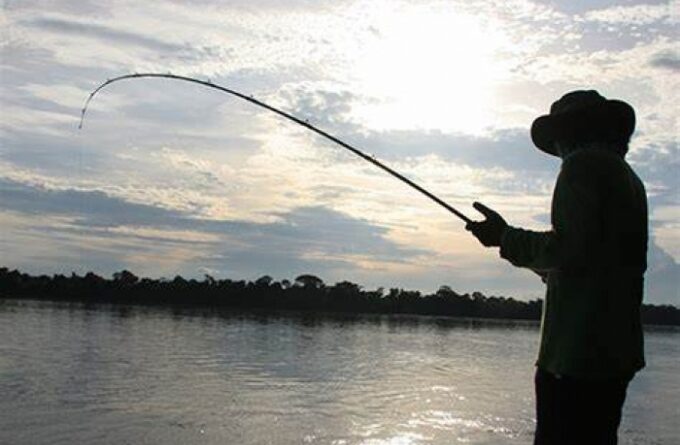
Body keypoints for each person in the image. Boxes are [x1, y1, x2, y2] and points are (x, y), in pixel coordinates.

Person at [466, 90, 647, 445]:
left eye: (558, 137)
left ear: (569, 132)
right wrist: (511, 244)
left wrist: (505, 236)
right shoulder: (629, 178)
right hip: (615, 351)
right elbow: (590, 259)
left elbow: (567, 250)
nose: (558, 149)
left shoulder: (582, 166)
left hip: (576, 354)